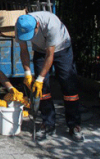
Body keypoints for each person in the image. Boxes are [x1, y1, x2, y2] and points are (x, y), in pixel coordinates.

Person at [15, 11, 84, 142]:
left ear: (38, 25)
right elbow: (24, 50)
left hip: (61, 49)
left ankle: (74, 125)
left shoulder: (51, 24)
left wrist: (40, 79)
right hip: (40, 51)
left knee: (69, 87)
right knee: (42, 90)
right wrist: (27, 74)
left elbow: (50, 55)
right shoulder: (20, 24)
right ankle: (47, 123)